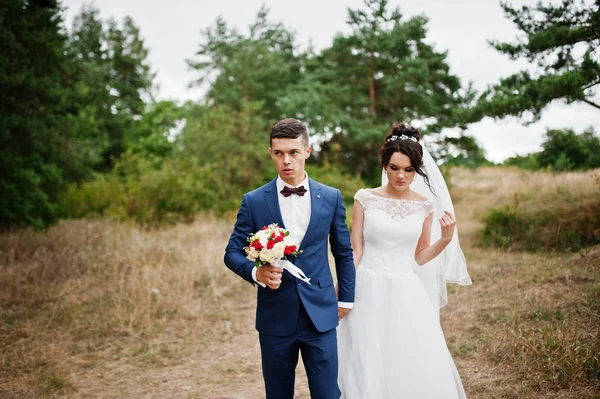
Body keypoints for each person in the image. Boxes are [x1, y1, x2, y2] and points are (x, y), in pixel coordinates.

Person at [224, 118, 356, 399]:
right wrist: (255, 273)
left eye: (293, 152)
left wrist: (345, 299)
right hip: (275, 317)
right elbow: (232, 253)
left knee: (327, 394)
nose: (286, 160)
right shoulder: (254, 201)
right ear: (271, 153)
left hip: (320, 315)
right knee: (278, 394)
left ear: (307, 151)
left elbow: (343, 252)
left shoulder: (331, 198)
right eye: (279, 153)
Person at [337, 122, 471, 399]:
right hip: (367, 286)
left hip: (405, 290)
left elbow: (420, 257)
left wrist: (444, 240)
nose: (401, 176)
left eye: (409, 170)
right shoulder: (365, 198)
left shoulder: (424, 205)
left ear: (417, 170)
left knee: (407, 353)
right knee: (366, 355)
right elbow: (355, 249)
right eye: (395, 168)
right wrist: (344, 285)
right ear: (385, 165)